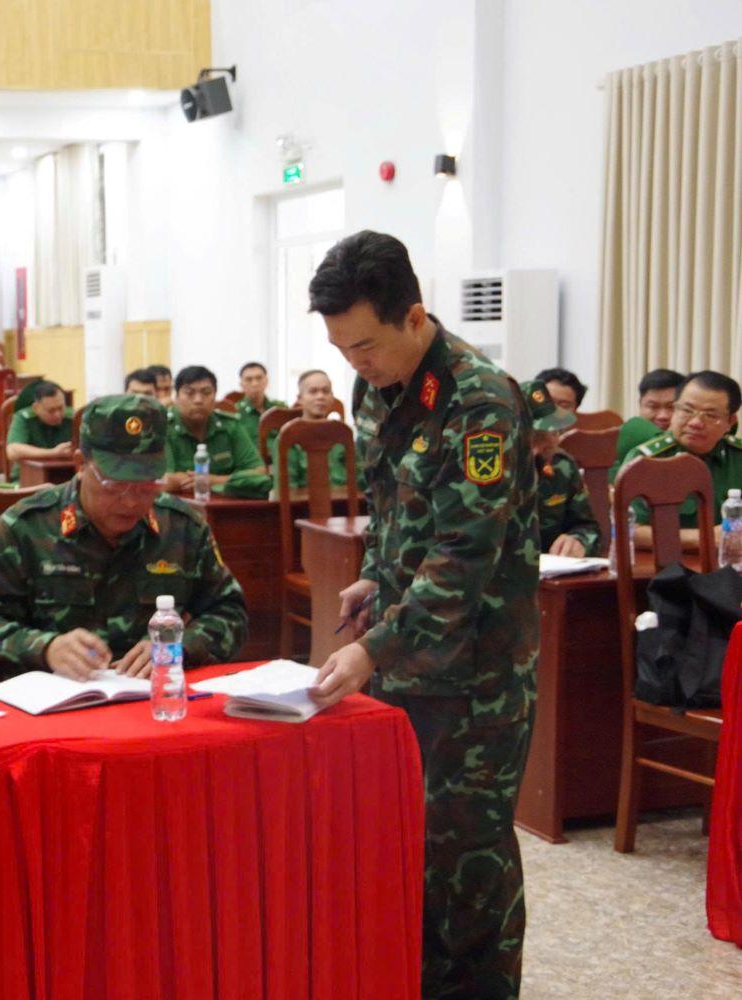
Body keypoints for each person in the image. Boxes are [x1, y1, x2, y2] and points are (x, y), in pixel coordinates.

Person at [307, 230, 539, 998]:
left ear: (415, 317)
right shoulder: (373, 389)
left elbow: (464, 558)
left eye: (367, 345)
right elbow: (390, 504)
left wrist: (372, 649)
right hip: (404, 654)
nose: (356, 365)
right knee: (405, 843)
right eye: (342, 349)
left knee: (467, 855)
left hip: (477, 671)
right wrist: (375, 575)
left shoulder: (479, 400)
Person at [0, 395, 246, 680]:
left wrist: (180, 646)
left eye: (147, 485)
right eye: (115, 484)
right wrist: (46, 648)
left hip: (154, 697)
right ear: (81, 464)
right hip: (56, 703)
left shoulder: (184, 528)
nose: (132, 502)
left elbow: (231, 613)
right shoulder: (24, 528)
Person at [621, 370, 742, 552]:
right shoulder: (645, 460)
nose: (695, 422)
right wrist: (702, 538)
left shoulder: (737, 456)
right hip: (668, 568)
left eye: (710, 415)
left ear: (730, 422)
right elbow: (629, 530)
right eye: (686, 410)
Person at [162, 365, 270, 498]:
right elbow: (163, 481)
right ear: (177, 397)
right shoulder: (163, 428)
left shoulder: (230, 426)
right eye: (189, 393)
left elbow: (258, 472)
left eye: (206, 393)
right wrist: (232, 480)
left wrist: (212, 480)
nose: (198, 400)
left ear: (215, 396)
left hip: (226, 506)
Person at [524, 381, 600, 557]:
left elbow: (587, 526)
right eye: (535, 435)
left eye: (552, 432)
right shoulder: (487, 472)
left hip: (554, 574)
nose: (548, 443)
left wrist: (578, 541)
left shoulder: (561, 466)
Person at [277, 369, 349, 488]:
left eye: (326, 391)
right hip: (301, 504)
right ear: (300, 398)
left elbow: (359, 481)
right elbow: (288, 489)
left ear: (332, 397)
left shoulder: (343, 436)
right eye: (313, 391)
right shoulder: (288, 438)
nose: (320, 397)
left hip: (344, 503)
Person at [614, 367, 685, 469]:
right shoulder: (627, 432)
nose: (663, 416)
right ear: (640, 404)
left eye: (671, 407)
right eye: (653, 406)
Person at [5, 380, 74, 480]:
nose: (58, 414)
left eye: (61, 408)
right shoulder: (24, 418)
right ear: (36, 407)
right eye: (51, 410)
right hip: (28, 477)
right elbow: (13, 451)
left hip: (66, 476)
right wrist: (53, 453)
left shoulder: (73, 417)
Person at [235, 361, 288, 453]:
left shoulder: (280, 409)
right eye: (249, 379)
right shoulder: (235, 411)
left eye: (259, 378)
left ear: (266, 381)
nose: (255, 383)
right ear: (241, 384)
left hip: (280, 460)